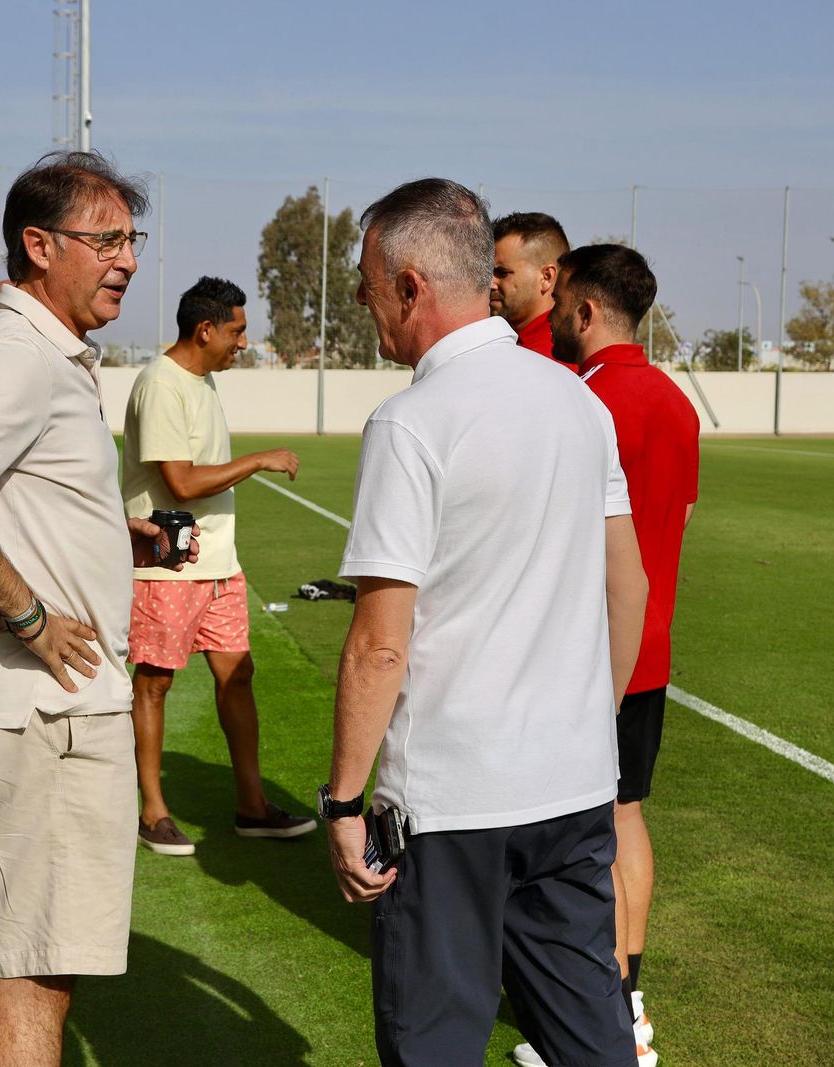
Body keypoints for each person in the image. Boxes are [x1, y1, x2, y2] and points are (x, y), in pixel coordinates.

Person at [323, 178, 652, 1067]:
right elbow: (628, 586)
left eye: (366, 286)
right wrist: (590, 721)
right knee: (593, 1037)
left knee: (433, 1042)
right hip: (572, 784)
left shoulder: (411, 422)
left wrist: (342, 802)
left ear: (410, 287)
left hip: (453, 801)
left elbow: (380, 642)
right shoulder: (579, 402)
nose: (364, 305)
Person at [0, 150, 180, 1067]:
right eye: (106, 240)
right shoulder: (21, 352)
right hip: (47, 713)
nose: (127, 259)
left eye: (132, 239)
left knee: (8, 940)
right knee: (40, 971)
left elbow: (4, 497)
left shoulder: (33, 345)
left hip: (31, 711)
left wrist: (106, 540)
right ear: (39, 245)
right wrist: (29, 615)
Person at [522, 243, 701, 1067]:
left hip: (588, 650)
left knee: (579, 837)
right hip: (651, 644)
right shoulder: (675, 401)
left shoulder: (581, 399)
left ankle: (603, 1020)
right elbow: (678, 522)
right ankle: (628, 1007)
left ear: (586, 309)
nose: (551, 312)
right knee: (626, 815)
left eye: (560, 299)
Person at [123, 275, 316, 855]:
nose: (243, 343)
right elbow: (180, 483)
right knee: (155, 683)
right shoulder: (161, 384)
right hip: (167, 567)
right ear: (205, 330)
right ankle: (152, 811)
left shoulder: (202, 380)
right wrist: (256, 460)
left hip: (218, 567)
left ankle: (252, 808)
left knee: (239, 677)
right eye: (237, 332)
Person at [489, 211, 570, 364]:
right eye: (489, 272)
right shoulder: (515, 345)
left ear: (546, 277)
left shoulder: (555, 357)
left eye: (502, 272)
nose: (490, 283)